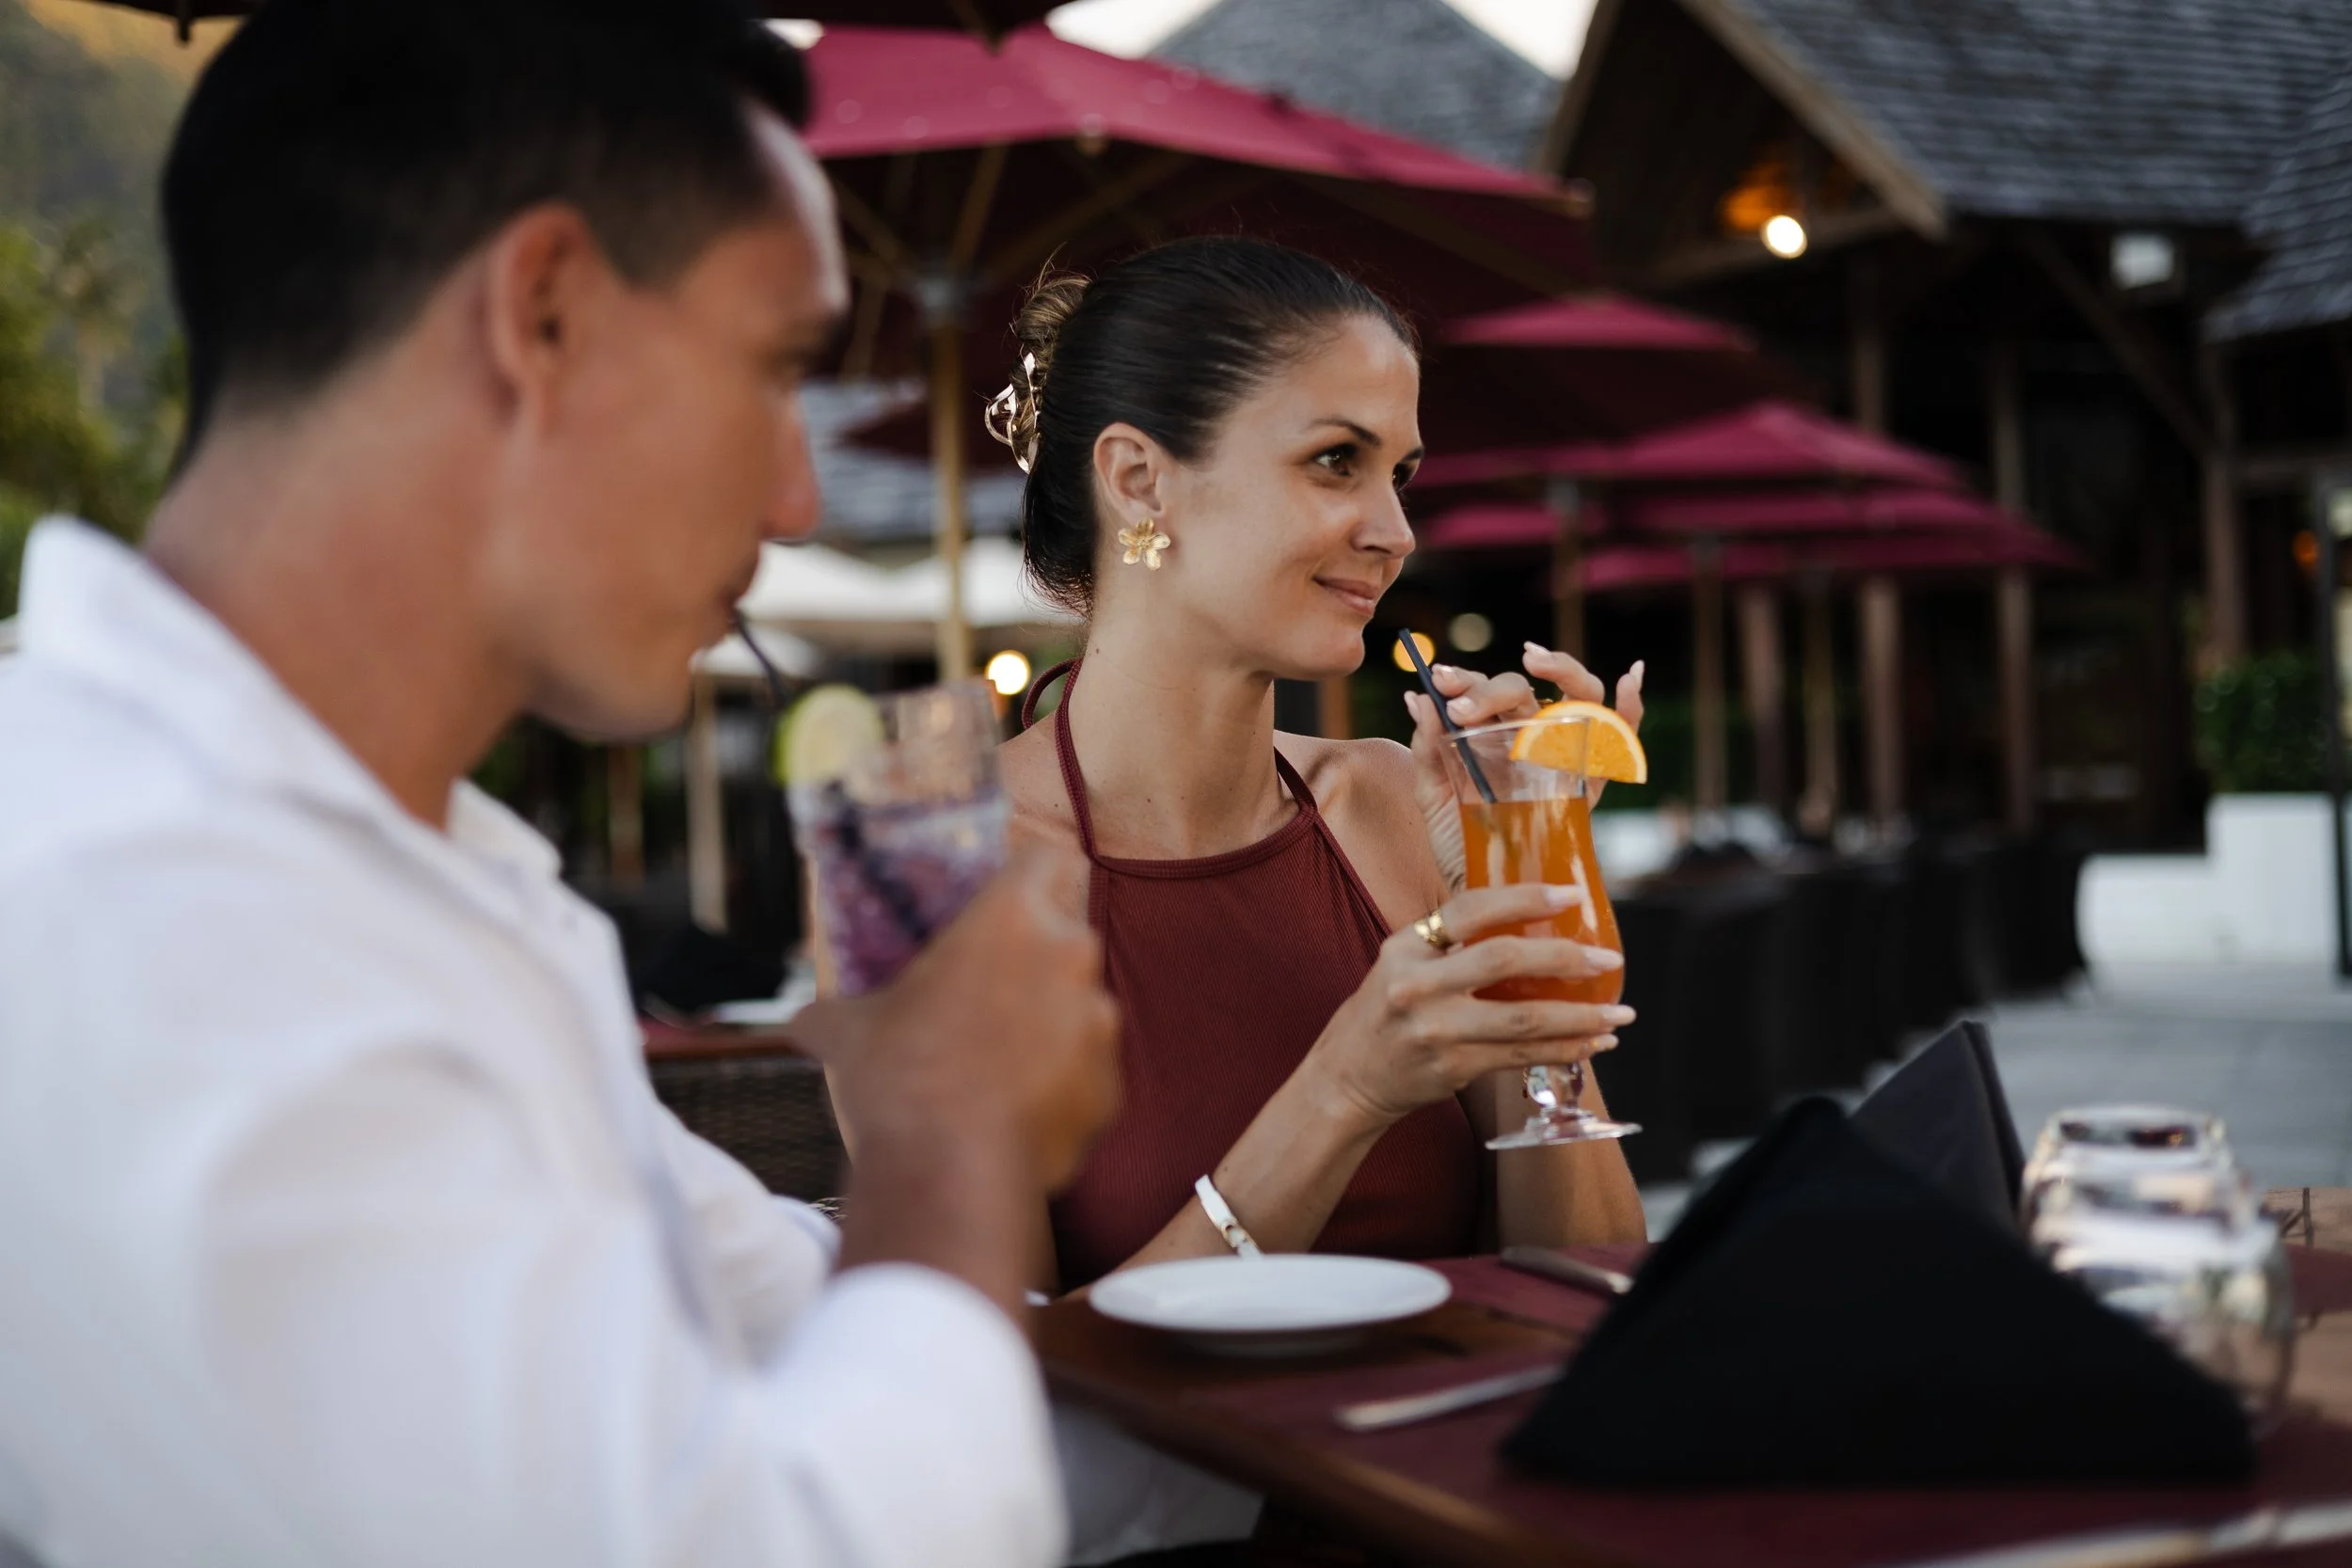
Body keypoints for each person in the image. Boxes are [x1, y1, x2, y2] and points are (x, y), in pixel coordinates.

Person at [0, 4, 1239, 1563]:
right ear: (544, 313)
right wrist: (950, 1131)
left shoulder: (412, 877)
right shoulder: (150, 914)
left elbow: (776, 1309)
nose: (797, 499)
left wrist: (1344, 1439)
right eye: (780, 364)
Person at [986, 241, 1651, 1290]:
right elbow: (999, 1382)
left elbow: (1596, 1281)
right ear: (1138, 478)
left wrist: (1519, 901)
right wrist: (1343, 1090)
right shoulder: (943, 874)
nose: (1394, 533)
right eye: (1336, 460)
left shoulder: (1391, 802)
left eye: (1401, 474)